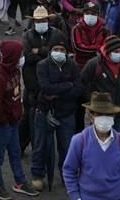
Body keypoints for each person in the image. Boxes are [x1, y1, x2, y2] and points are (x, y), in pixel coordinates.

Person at [0, 39, 40, 199]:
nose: (22, 57)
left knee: (15, 153)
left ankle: (20, 182)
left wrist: (17, 114)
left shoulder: (15, 71)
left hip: (13, 122)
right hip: (1, 125)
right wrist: (4, 120)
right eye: (20, 54)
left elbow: (16, 94)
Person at [62, 91, 120, 200]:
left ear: (113, 116)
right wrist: (76, 197)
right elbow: (69, 170)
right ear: (91, 117)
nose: (104, 118)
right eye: (99, 114)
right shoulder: (79, 141)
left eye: (108, 114)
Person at [32, 38, 82, 191]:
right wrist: (68, 85)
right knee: (40, 145)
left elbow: (78, 89)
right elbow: (45, 87)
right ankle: (38, 175)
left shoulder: (73, 65)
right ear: (50, 51)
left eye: (62, 50)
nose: (59, 52)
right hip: (45, 110)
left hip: (67, 112)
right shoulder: (42, 65)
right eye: (56, 49)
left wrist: (57, 93)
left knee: (67, 147)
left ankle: (67, 176)